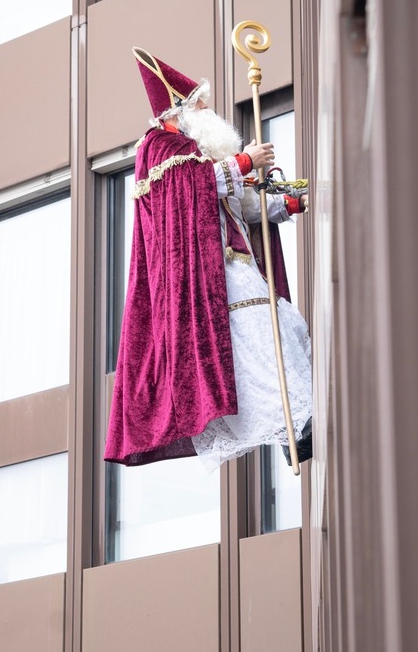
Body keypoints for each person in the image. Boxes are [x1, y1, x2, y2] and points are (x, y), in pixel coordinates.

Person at [103, 47, 313, 471]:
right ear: (181, 113)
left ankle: (297, 418)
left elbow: (245, 210)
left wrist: (287, 205)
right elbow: (189, 189)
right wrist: (242, 161)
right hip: (208, 278)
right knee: (263, 329)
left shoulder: (203, 159)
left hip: (236, 265)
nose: (210, 110)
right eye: (202, 104)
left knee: (286, 325)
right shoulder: (159, 146)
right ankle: (294, 421)